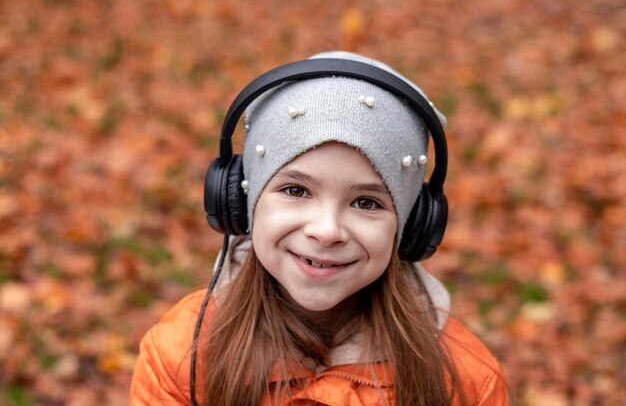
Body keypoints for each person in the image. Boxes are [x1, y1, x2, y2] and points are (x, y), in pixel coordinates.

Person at [129, 51, 509, 406]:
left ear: (411, 227)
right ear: (243, 204)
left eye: (366, 202)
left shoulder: (465, 381)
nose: (327, 231)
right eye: (296, 190)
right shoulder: (182, 357)